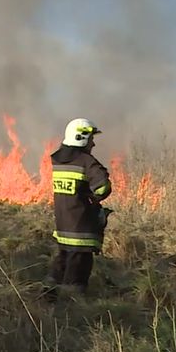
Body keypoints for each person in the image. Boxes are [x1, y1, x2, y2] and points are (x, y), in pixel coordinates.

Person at [43, 118, 112, 299]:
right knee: (77, 274)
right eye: (91, 139)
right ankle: (71, 305)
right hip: (82, 230)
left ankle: (48, 296)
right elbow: (103, 188)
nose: (93, 143)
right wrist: (93, 199)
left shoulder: (59, 161)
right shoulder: (86, 161)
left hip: (63, 226)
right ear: (81, 138)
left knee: (62, 262)